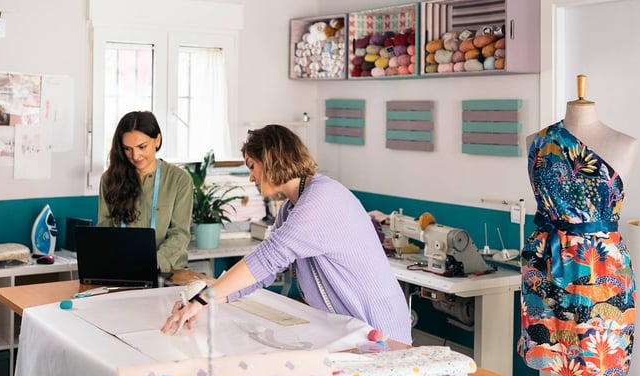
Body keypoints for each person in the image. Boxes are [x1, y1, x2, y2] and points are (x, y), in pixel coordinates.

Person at [161, 124, 412, 344]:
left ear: (271, 160)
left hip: (378, 325)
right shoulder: (292, 207)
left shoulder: (322, 198)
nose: (251, 177)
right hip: (349, 326)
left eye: (252, 166)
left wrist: (205, 298)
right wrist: (203, 301)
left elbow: (267, 258)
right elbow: (264, 273)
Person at [519, 81, 638, 376]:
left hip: (600, 264)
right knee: (549, 346)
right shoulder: (537, 140)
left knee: (595, 349)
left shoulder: (624, 143)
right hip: (546, 259)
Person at [97, 110, 193, 273]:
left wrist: (154, 263)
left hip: (168, 273)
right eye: (128, 149)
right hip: (122, 270)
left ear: (157, 140)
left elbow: (180, 233)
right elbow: (105, 229)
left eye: (142, 147)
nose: (135, 155)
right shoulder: (109, 179)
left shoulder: (179, 180)